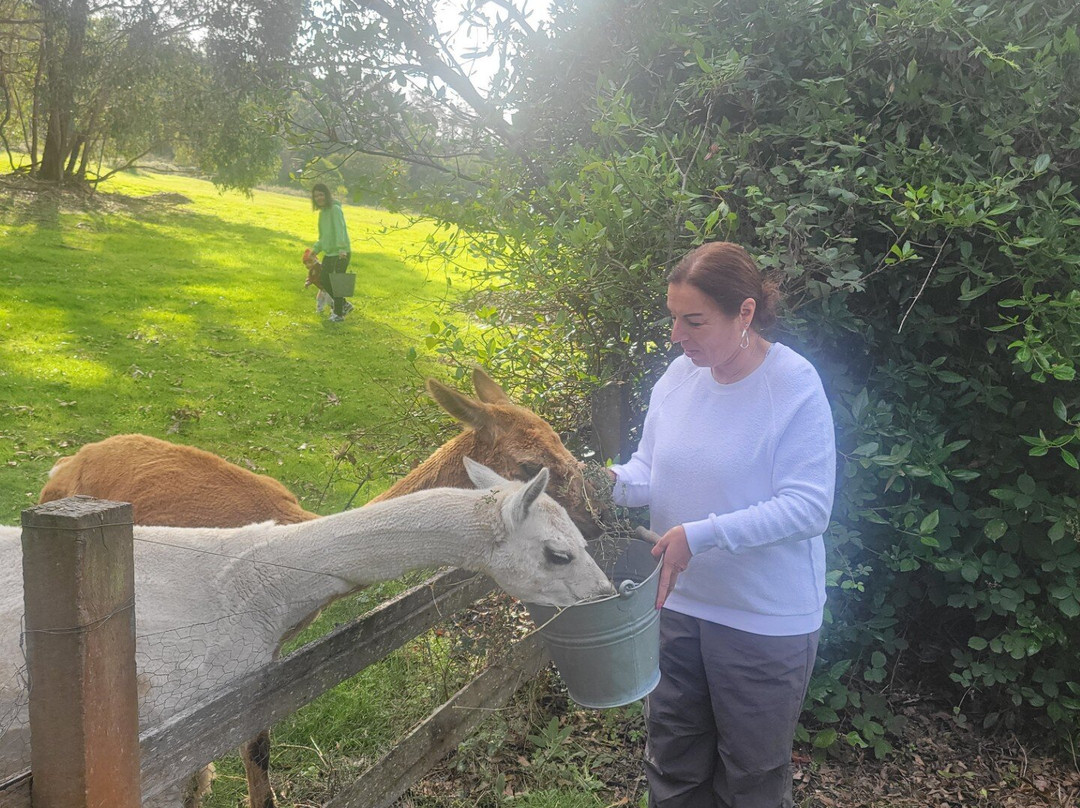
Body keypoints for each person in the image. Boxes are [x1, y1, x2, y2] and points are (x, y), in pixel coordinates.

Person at [607, 241, 836, 808]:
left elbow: (808, 506)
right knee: (673, 768)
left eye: (694, 321)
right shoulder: (678, 378)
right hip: (677, 608)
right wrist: (591, 481)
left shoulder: (793, 384)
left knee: (751, 783)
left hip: (763, 621)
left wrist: (700, 535)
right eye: (673, 319)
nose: (676, 336)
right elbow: (647, 473)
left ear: (745, 313)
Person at [310, 183, 352, 322]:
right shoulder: (322, 213)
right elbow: (323, 236)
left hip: (341, 252)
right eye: (316, 196)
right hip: (329, 253)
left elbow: (341, 230)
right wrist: (315, 249)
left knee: (337, 284)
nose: (319, 198)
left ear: (327, 195)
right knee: (324, 280)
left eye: (321, 195)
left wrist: (342, 249)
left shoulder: (335, 209)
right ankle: (344, 305)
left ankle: (338, 314)